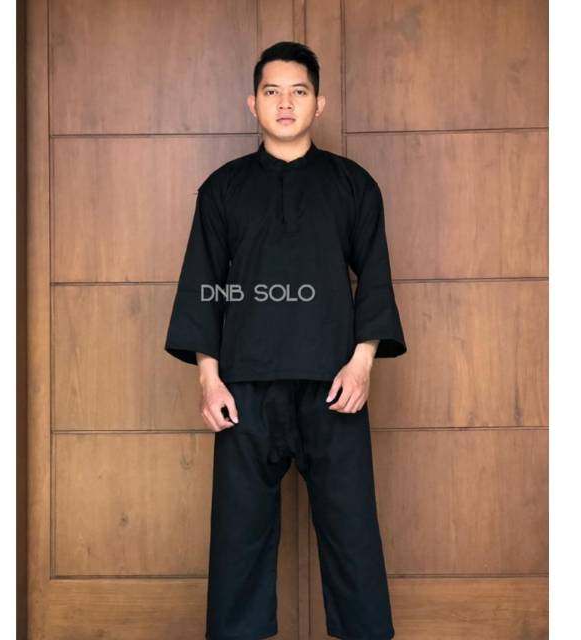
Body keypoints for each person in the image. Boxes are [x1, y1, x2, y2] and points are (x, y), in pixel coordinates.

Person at [165, 40, 407, 640]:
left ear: (318, 103)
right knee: (238, 540)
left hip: (334, 385)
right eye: (272, 91)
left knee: (352, 533)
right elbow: (202, 284)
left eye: (299, 91)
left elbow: (375, 279)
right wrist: (208, 377)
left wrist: (362, 363)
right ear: (253, 103)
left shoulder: (354, 186)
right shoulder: (222, 190)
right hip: (244, 389)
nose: (285, 103)